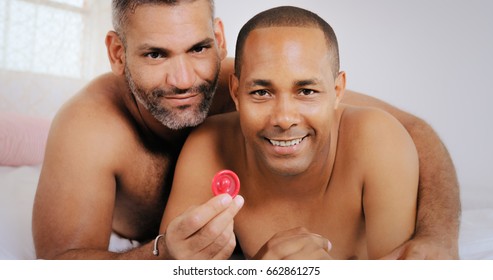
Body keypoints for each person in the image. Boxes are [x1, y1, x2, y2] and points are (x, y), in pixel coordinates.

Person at [32, 0, 459, 260]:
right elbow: (62, 265)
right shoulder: (89, 128)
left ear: (218, 39)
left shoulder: (257, 78)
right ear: (118, 53)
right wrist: (162, 254)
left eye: (199, 48)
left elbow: (414, 130)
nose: (183, 78)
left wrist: (437, 238)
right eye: (156, 54)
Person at [161, 5, 420, 259]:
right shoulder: (208, 145)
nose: (284, 119)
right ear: (236, 93)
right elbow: (171, 266)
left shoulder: (379, 140)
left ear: (337, 91)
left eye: (306, 92)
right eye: (261, 93)